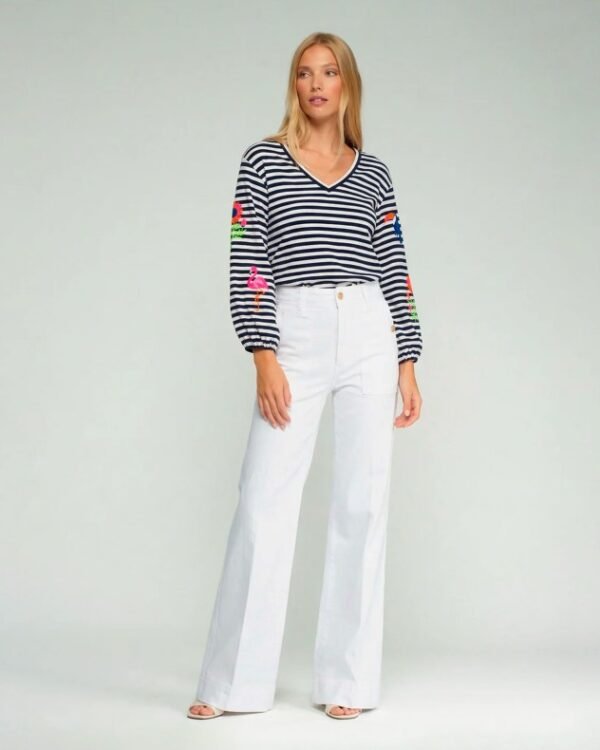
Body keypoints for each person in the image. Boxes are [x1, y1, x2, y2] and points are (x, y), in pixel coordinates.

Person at [187, 31, 423, 721]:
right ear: (293, 86)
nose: (316, 84)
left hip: (369, 331)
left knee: (362, 503)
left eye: (328, 72)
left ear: (347, 85)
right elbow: (248, 258)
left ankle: (347, 681)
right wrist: (263, 353)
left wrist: (408, 359)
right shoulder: (261, 161)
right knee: (263, 501)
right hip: (294, 330)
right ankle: (231, 684)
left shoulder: (373, 173)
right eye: (303, 73)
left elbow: (394, 263)